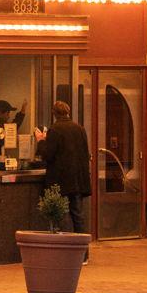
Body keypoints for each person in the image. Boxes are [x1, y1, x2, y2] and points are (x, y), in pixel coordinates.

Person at [33, 100, 94, 241]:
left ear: (54, 114)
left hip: (60, 180)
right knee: (78, 214)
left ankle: (62, 246)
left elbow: (47, 155)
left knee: (59, 214)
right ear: (68, 112)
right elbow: (85, 153)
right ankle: (83, 253)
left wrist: (41, 140)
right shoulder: (80, 128)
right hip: (77, 179)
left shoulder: (55, 130)